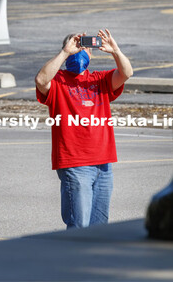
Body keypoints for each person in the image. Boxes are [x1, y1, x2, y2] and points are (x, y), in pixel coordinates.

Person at [35, 29, 133, 229]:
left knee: (99, 228)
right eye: (77, 46)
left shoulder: (100, 79)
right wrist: (65, 53)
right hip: (75, 164)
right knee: (79, 227)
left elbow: (127, 73)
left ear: (91, 54)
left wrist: (115, 50)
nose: (81, 51)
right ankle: (72, 261)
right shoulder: (58, 81)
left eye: (85, 47)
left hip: (104, 165)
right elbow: (41, 81)